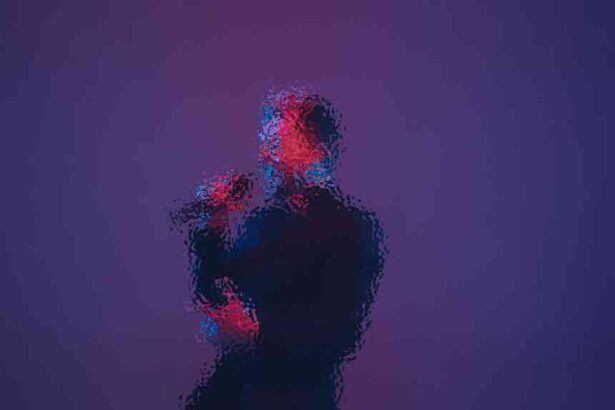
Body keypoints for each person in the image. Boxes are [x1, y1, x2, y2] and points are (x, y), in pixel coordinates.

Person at [174, 88, 386, 409]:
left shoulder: (351, 228)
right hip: (233, 392)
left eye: (275, 144)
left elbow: (336, 334)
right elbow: (216, 295)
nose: (264, 156)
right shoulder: (263, 222)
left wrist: (256, 331)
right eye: (265, 145)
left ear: (315, 150)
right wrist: (212, 230)